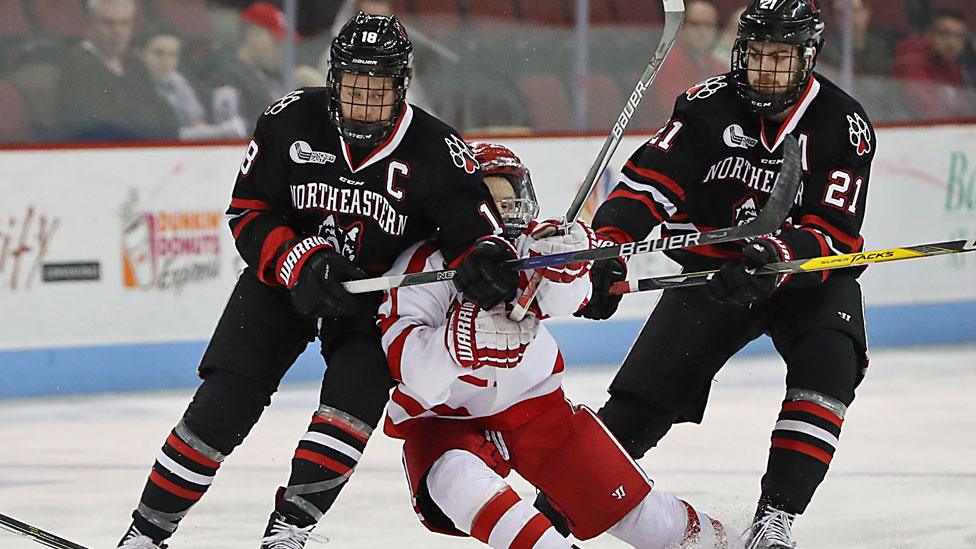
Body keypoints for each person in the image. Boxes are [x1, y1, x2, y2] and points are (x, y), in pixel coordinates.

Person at [118, 12, 520, 549]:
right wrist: (297, 261)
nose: (364, 101)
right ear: (334, 79)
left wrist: (486, 263)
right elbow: (247, 211)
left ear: (402, 86)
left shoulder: (436, 149)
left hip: (375, 301)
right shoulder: (289, 120)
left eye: (379, 89)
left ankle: (290, 530)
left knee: (349, 408)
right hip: (286, 282)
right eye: (355, 86)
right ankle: (145, 533)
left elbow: (480, 239)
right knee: (222, 404)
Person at [543, 1, 876, 547]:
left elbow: (833, 232)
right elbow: (646, 186)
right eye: (757, 55)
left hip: (805, 278)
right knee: (639, 404)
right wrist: (607, 249)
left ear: (808, 59)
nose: (765, 69)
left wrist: (773, 258)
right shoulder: (705, 107)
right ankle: (554, 510)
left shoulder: (843, 123)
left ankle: (775, 517)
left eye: (781, 57)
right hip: (715, 277)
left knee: (830, 363)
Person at [381, 141, 736, 549]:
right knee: (455, 479)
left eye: (509, 199)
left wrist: (569, 263)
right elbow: (407, 365)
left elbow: (572, 299)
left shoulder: (530, 247)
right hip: (444, 421)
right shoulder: (421, 266)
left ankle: (731, 544)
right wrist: (460, 343)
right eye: (486, 200)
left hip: (538, 411)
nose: (502, 213)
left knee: (643, 518)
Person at [57, 0, 178, 141]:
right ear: (90, 25)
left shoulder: (134, 66)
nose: (117, 31)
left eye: (124, 23)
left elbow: (166, 113)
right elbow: (106, 125)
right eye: (108, 23)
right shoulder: (78, 67)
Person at [136, 26, 248, 141]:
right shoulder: (133, 87)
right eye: (159, 53)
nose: (166, 60)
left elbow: (196, 122)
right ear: (140, 54)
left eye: (172, 55)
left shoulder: (178, 82)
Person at [649, 0, 727, 125]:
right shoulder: (667, 63)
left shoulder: (718, 65)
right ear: (681, 27)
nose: (702, 31)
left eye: (708, 25)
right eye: (695, 24)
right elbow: (679, 110)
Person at [893, 7, 976, 120]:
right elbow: (926, 109)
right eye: (944, 33)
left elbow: (963, 106)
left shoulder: (950, 64)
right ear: (929, 34)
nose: (951, 42)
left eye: (959, 36)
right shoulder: (911, 61)